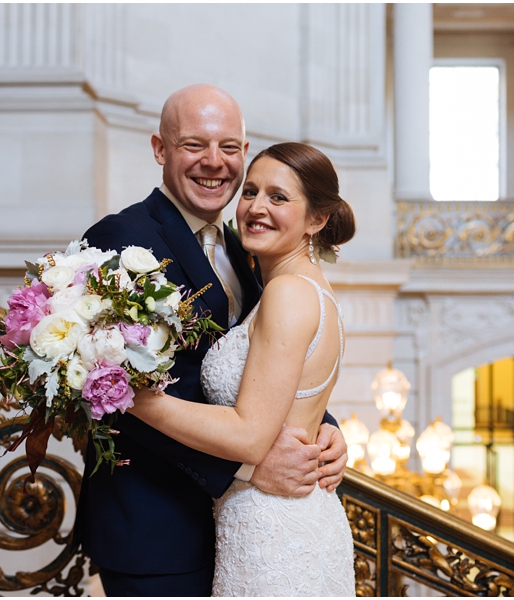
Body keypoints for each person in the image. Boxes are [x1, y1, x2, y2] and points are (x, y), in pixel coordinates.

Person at [73, 84, 348, 597]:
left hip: (243, 527)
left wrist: (319, 428)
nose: (213, 163)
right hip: (158, 525)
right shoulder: (121, 238)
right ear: (160, 150)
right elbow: (114, 386)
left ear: (244, 154)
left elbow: (262, 359)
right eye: (193, 145)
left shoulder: (250, 248)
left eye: (228, 147)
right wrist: (248, 458)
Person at [128, 141, 357, 596]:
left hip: (275, 535)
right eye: (250, 192)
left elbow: (250, 434)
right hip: (273, 521)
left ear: (317, 219)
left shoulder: (288, 292)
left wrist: (129, 395)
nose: (256, 207)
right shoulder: (296, 286)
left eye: (278, 197)